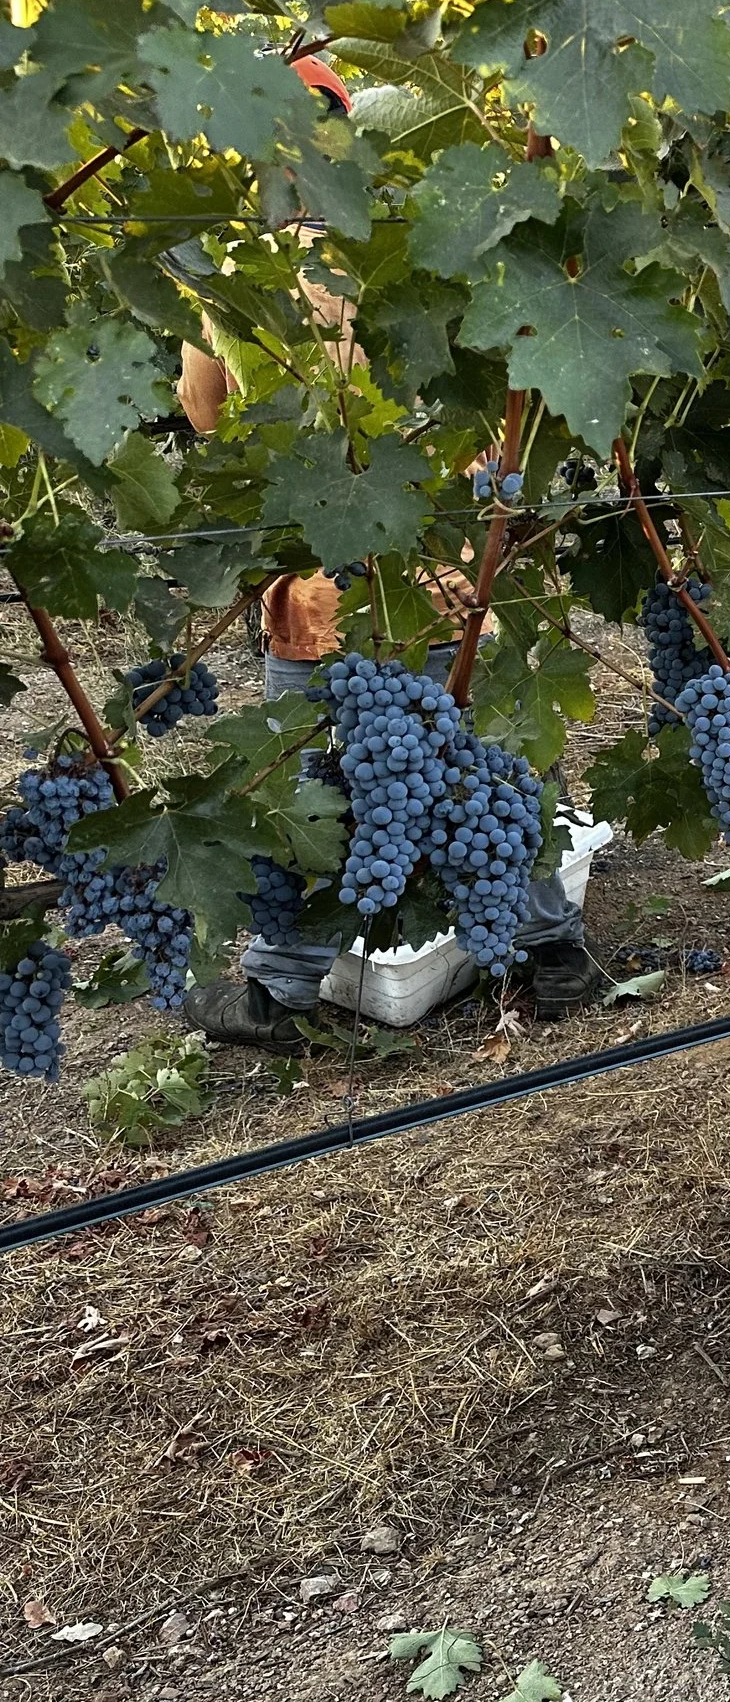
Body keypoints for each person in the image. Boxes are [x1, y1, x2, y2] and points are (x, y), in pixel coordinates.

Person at [175, 58, 593, 1046]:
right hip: (429, 563)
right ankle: (555, 951)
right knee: (477, 757)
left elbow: (202, 420)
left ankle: (275, 992)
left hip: (311, 588)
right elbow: (484, 416)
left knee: (304, 786)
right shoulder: (414, 261)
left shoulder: (236, 284)